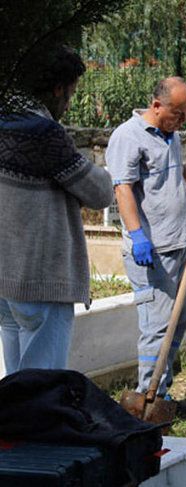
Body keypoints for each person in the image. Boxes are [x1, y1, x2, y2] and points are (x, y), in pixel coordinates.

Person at [106, 77, 186, 401]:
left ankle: (160, 392)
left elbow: (174, 177)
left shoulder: (169, 136)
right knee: (157, 325)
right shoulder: (128, 136)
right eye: (178, 113)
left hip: (177, 246)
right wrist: (137, 235)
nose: (183, 121)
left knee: (178, 322)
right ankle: (147, 398)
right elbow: (122, 189)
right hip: (151, 250)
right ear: (157, 105)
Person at [0, 46, 114, 373]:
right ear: (57, 88)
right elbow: (99, 192)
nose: (69, 102)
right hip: (40, 280)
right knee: (43, 388)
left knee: (16, 384)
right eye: (71, 92)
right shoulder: (43, 131)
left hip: (6, 282)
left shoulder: (4, 119)